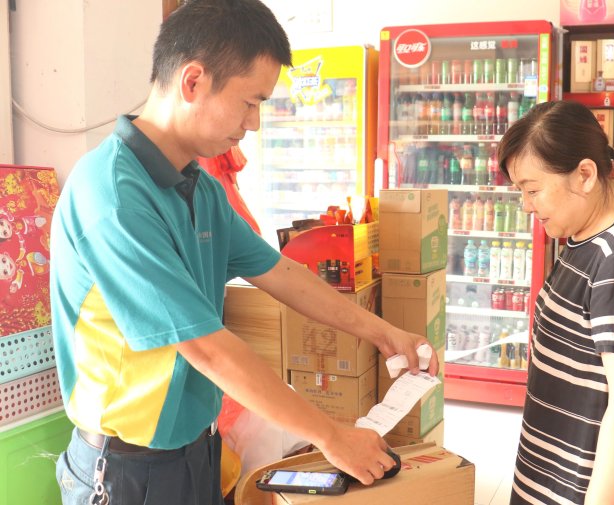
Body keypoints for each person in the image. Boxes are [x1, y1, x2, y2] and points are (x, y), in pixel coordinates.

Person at [49, 1, 438, 504]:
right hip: (126, 468)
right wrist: (331, 436)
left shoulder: (202, 190)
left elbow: (282, 274)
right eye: (250, 102)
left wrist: (384, 333)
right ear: (193, 81)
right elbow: (206, 347)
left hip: (197, 447)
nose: (254, 123)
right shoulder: (114, 195)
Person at [496, 101, 614, 505]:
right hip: (559, 474)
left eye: (533, 190)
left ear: (586, 175)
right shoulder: (583, 239)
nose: (526, 205)